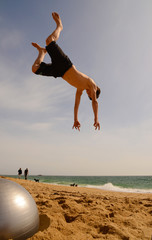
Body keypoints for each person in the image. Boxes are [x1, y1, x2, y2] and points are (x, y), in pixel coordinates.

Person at [32, 12, 101, 131]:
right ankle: (60, 26)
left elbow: (76, 104)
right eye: (91, 95)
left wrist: (75, 119)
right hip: (65, 64)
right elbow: (94, 102)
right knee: (49, 40)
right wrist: (96, 119)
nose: (89, 94)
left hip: (59, 73)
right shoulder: (92, 84)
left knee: (35, 69)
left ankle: (42, 53)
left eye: (88, 95)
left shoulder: (80, 89)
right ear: (95, 91)